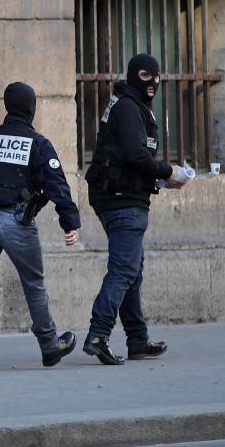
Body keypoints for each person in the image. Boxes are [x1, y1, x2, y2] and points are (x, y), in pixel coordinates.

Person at [0, 82, 80, 373]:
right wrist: (69, 221)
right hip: (16, 222)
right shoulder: (37, 142)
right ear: (31, 108)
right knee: (34, 285)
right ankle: (49, 345)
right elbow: (56, 184)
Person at [82, 53, 184, 365]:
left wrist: (160, 178)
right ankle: (98, 334)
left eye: (156, 76)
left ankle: (137, 340)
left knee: (132, 271)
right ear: (131, 76)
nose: (153, 82)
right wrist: (168, 172)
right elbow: (135, 154)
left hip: (122, 194)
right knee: (125, 269)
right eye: (145, 76)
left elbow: (132, 157)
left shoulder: (130, 104)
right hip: (122, 198)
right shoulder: (128, 107)